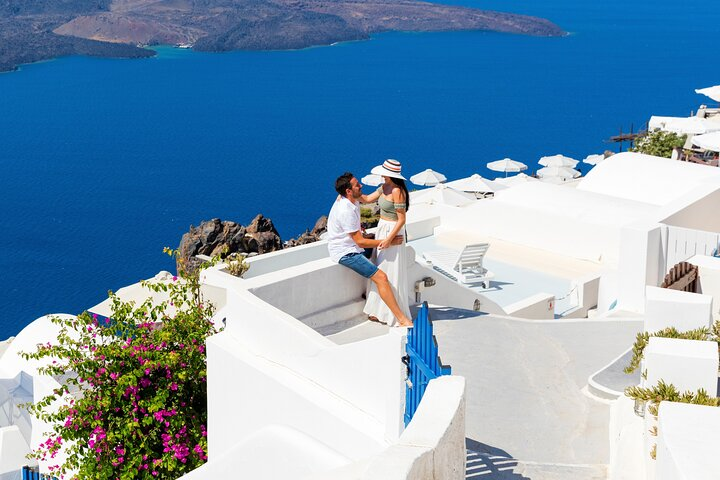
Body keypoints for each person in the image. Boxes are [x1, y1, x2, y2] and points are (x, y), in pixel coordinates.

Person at [327, 172, 413, 327]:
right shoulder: (346, 210)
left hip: (352, 245)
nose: (361, 186)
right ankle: (402, 319)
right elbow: (360, 242)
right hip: (346, 252)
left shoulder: (349, 199)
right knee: (382, 278)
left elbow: (365, 198)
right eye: (357, 185)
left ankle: (377, 310)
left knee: (377, 261)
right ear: (348, 191)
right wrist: (388, 241)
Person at [360, 159, 411, 326]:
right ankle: (378, 311)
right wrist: (348, 194)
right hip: (382, 227)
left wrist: (389, 239)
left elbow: (402, 219)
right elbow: (367, 199)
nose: (382, 175)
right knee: (380, 269)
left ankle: (392, 314)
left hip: (392, 231)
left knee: (390, 270)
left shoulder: (397, 191)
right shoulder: (384, 187)